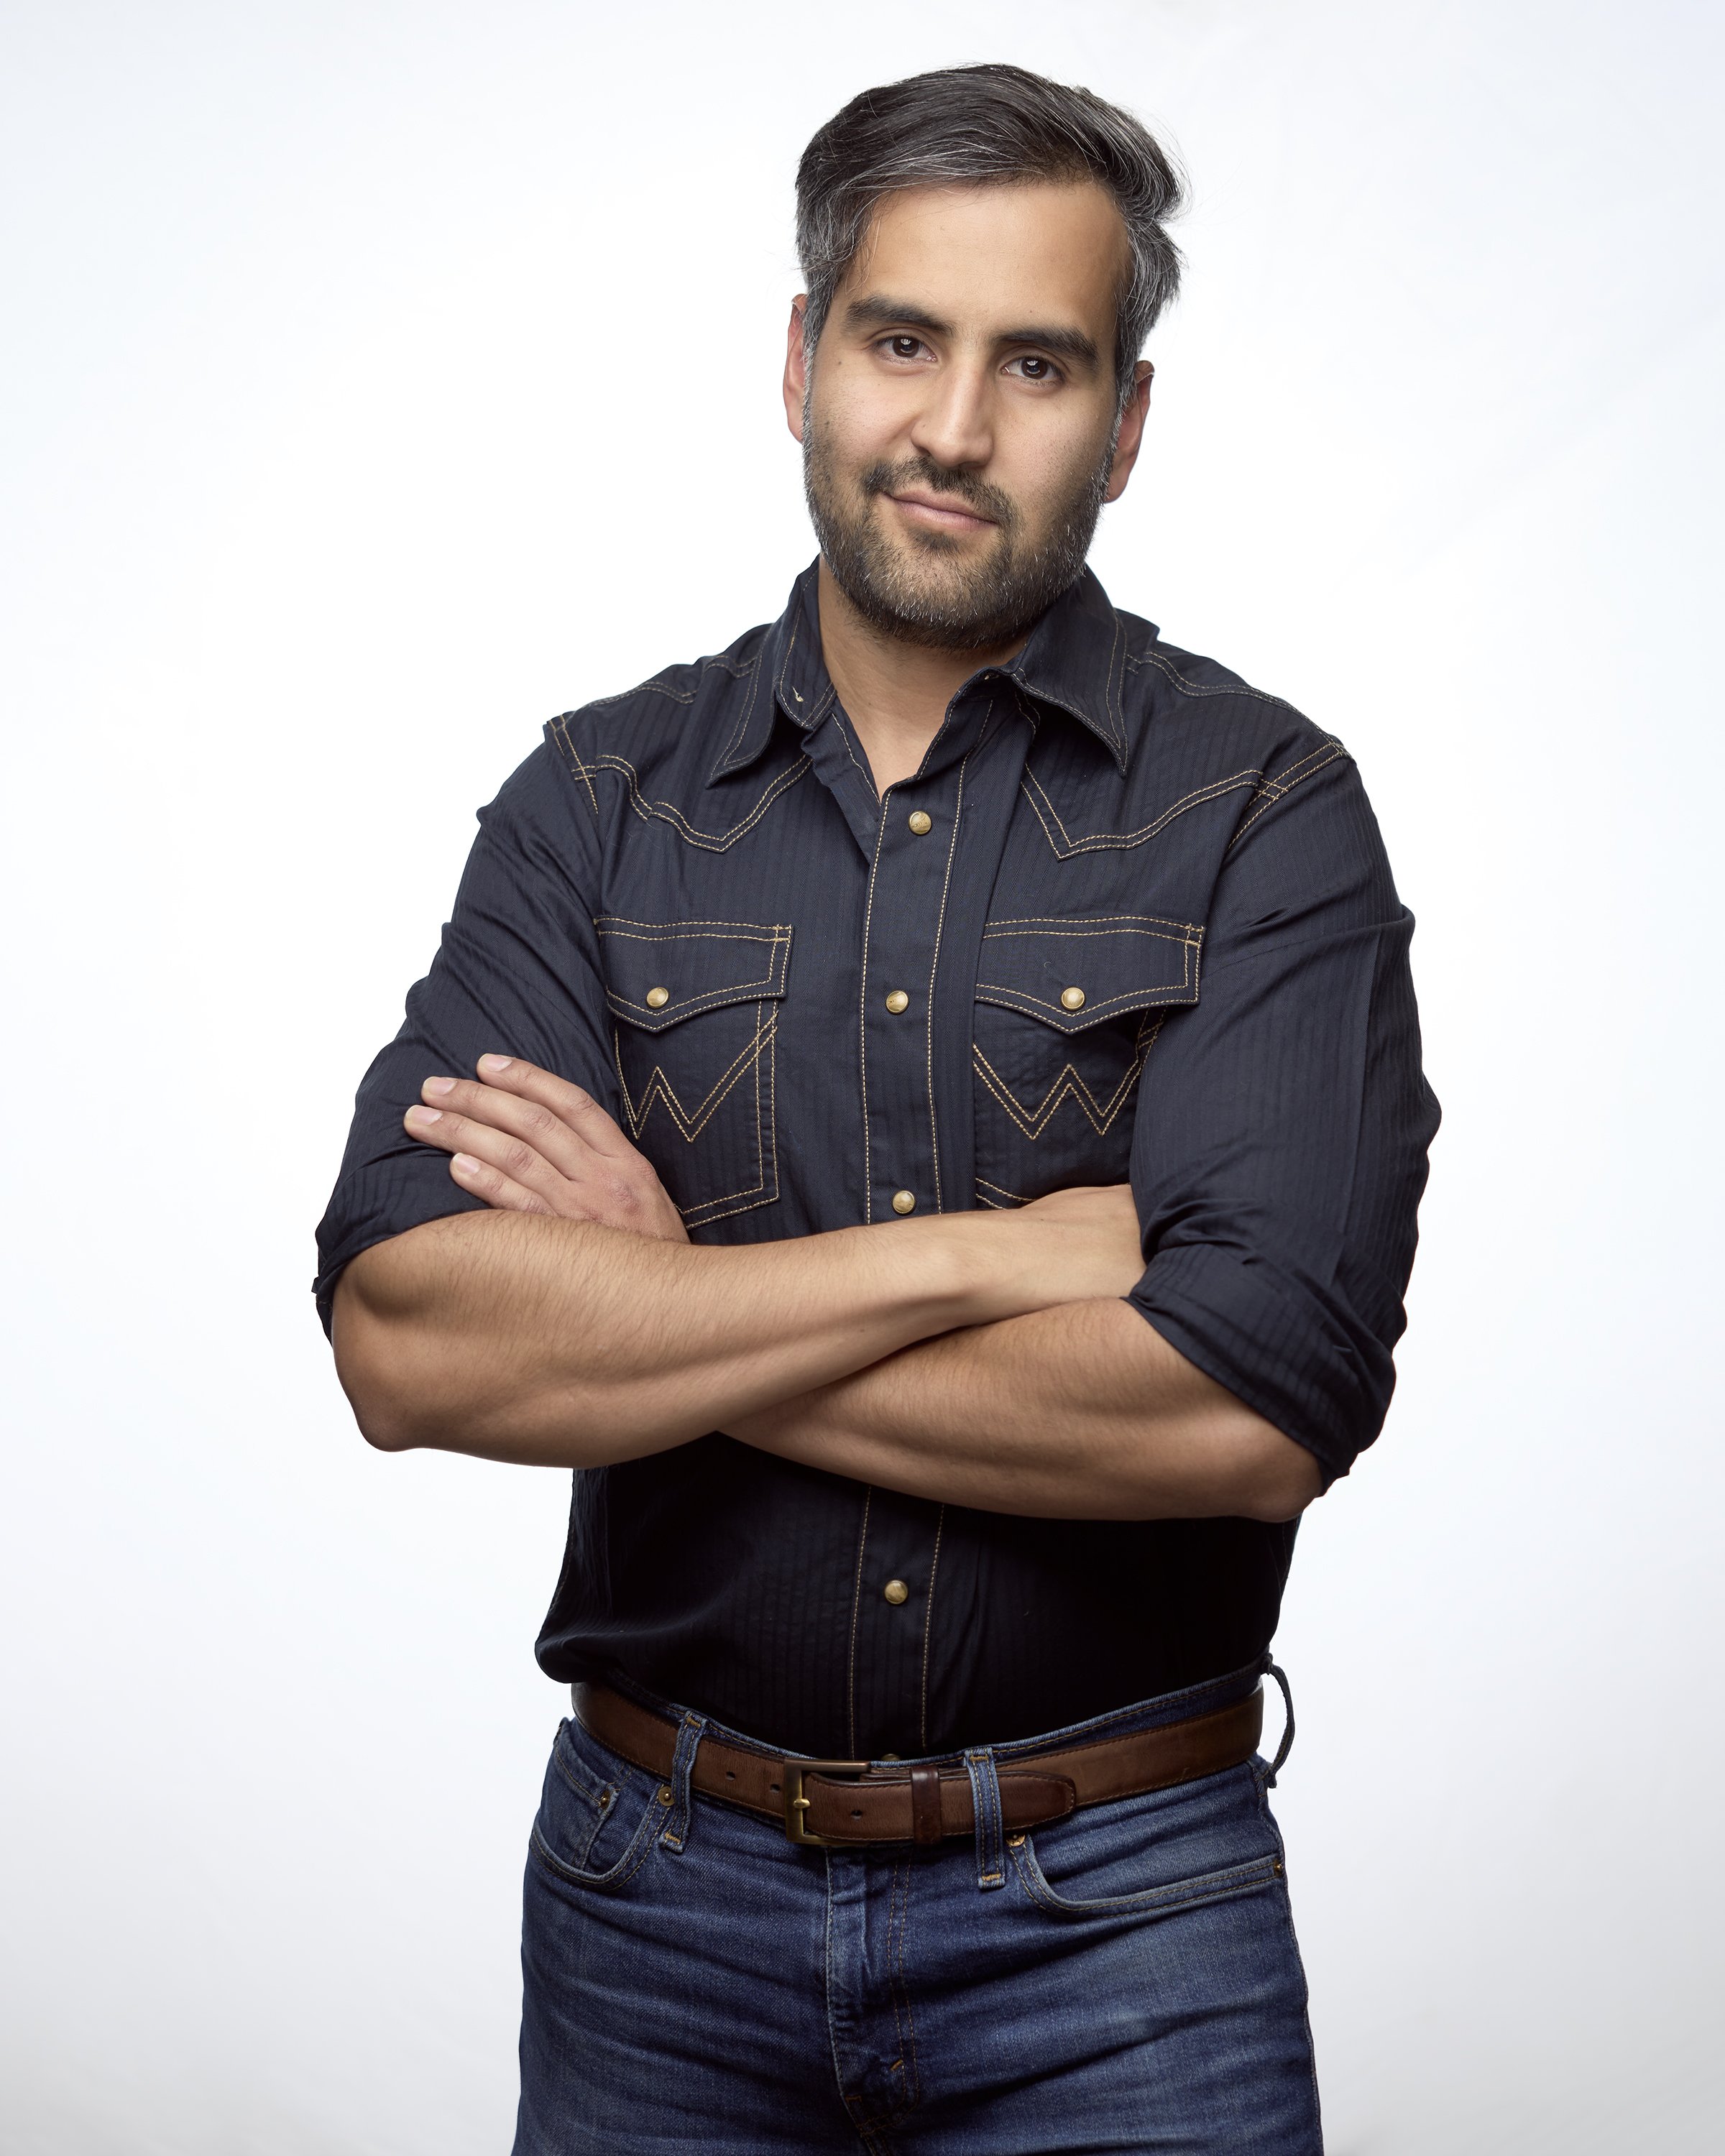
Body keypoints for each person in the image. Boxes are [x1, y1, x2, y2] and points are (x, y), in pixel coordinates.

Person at [316, 61, 1438, 2155]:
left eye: (1038, 362)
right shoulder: (599, 804)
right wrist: (989, 1258)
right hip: (655, 1901)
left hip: (1124, 1927)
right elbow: (405, 1338)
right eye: (900, 339)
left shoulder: (1262, 816)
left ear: (1125, 420)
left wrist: (657, 1314)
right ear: (803, 358)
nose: (950, 424)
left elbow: (1250, 1406)